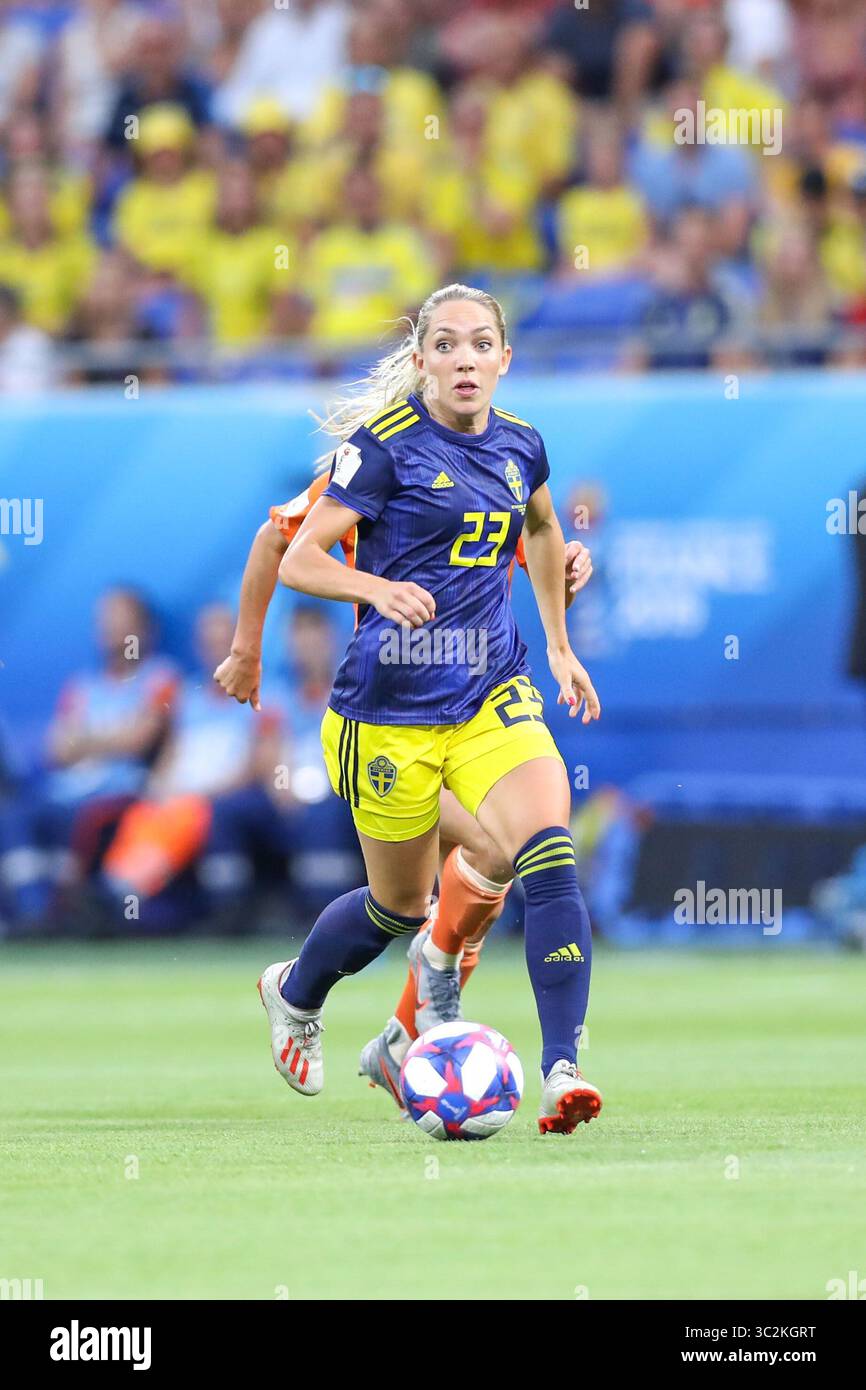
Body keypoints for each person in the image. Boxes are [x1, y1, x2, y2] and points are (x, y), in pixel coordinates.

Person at [227, 282, 604, 1134]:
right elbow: (287, 550)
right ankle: (302, 991)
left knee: (543, 851)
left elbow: (536, 530)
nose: (465, 360)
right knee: (397, 902)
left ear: (505, 358)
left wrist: (556, 639)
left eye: (481, 345)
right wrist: (276, 636)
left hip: (488, 695)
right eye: (446, 345)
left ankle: (560, 1069)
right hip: (387, 713)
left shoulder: (522, 447)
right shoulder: (381, 451)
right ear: (422, 359)